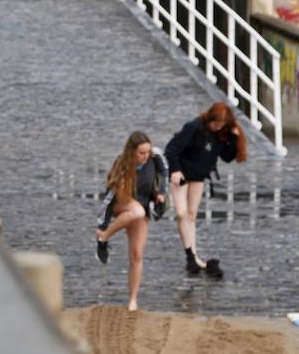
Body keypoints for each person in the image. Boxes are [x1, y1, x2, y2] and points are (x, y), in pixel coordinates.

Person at [165, 102, 247, 277]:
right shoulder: (194, 127)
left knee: (192, 214)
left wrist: (234, 137)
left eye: (221, 125)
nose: (217, 127)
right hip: (181, 174)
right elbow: (171, 149)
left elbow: (226, 156)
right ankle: (190, 255)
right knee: (181, 213)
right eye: (215, 123)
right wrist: (175, 170)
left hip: (198, 176)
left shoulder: (220, 134)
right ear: (209, 118)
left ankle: (192, 255)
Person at [94, 132, 168, 311]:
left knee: (137, 255)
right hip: (122, 203)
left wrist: (161, 192)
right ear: (132, 152)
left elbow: (164, 171)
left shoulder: (155, 155)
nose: (145, 156)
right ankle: (103, 237)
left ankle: (133, 301)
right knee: (136, 211)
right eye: (141, 153)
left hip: (141, 207)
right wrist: (102, 225)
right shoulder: (122, 165)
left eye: (147, 152)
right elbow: (109, 197)